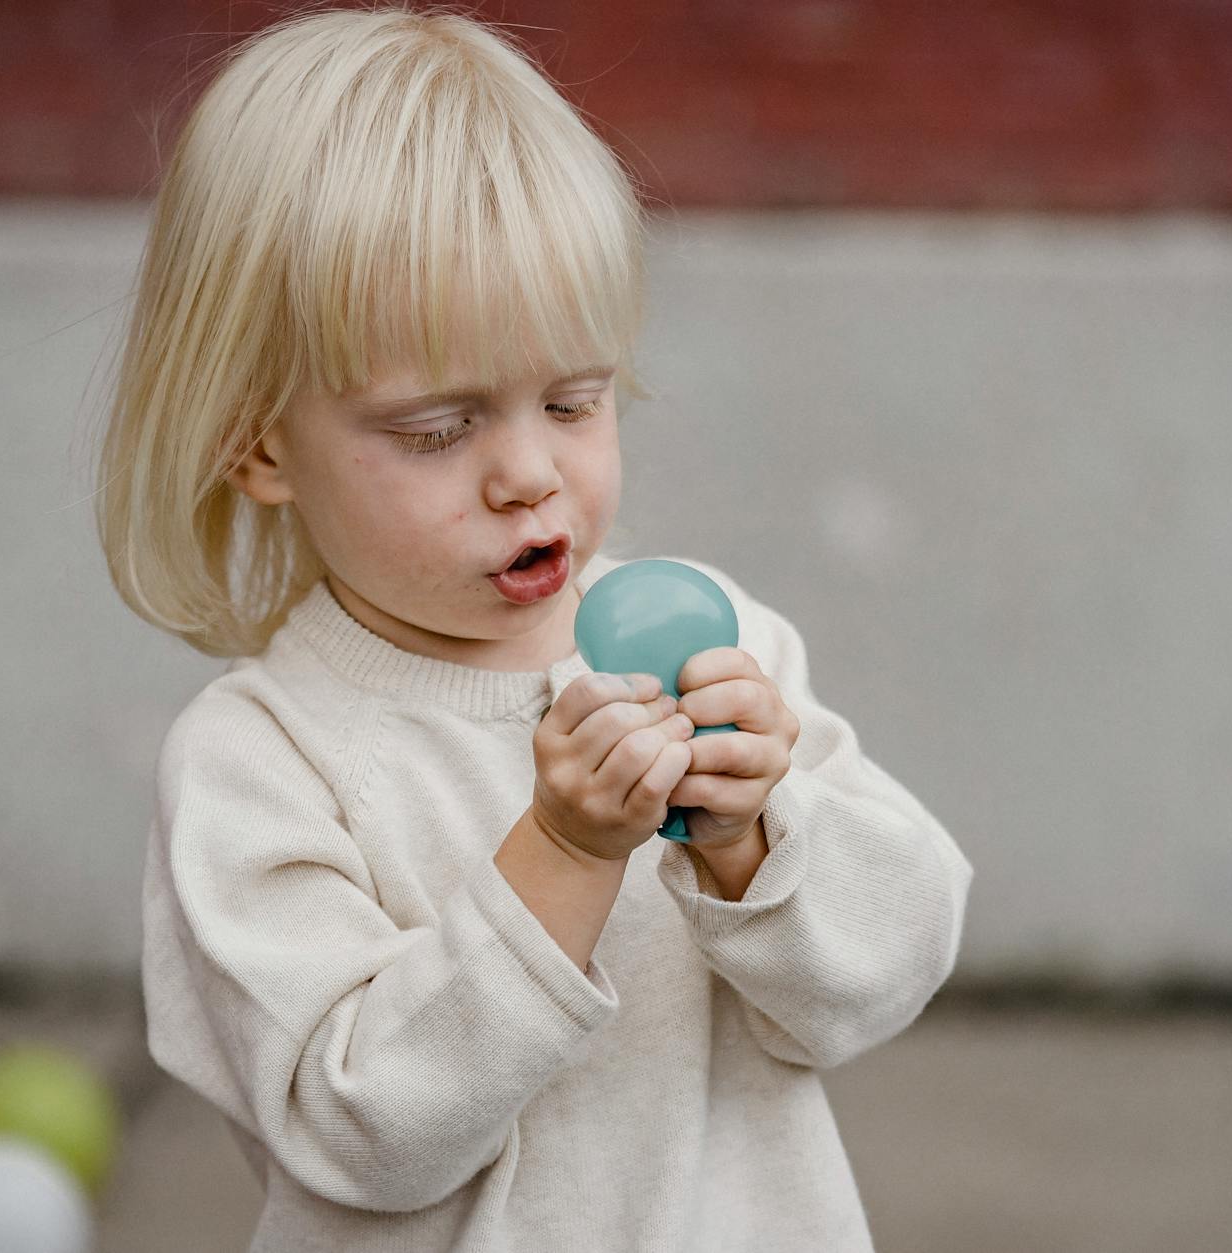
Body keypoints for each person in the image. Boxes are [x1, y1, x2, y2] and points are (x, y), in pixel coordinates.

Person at [94, 8, 972, 1251]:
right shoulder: (264, 760)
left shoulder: (721, 655)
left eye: (572, 398)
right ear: (258, 442)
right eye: (438, 428)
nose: (527, 475)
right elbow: (357, 1130)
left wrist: (754, 834)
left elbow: (882, 975)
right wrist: (561, 850)